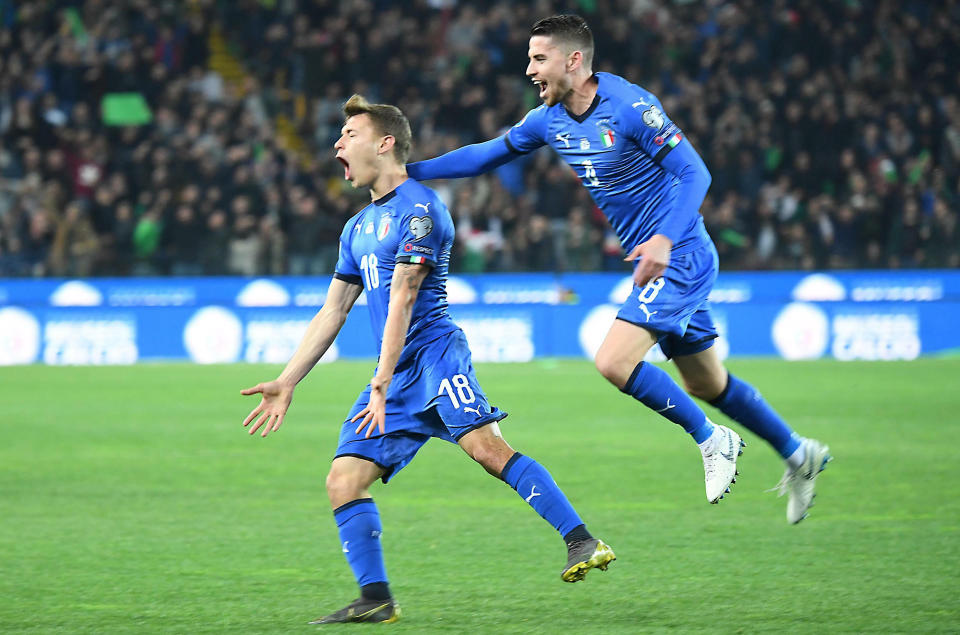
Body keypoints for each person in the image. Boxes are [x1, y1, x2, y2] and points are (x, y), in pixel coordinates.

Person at [407, 15, 830, 523]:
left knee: (612, 361)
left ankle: (713, 439)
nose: (529, 70)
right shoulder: (547, 120)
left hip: (681, 255)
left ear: (574, 60)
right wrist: (406, 173)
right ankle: (797, 452)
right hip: (656, 265)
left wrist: (663, 240)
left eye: (539, 59)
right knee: (707, 384)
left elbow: (696, 172)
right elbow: (485, 156)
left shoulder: (630, 107)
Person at [240, 95, 615, 625]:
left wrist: (381, 378)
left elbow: (403, 298)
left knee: (486, 449)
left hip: (436, 358)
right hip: (392, 374)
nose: (337, 144)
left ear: (385, 142)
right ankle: (376, 599)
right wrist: (287, 379)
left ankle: (582, 540)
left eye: (349, 134)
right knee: (343, 480)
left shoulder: (420, 212)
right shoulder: (356, 228)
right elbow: (334, 309)